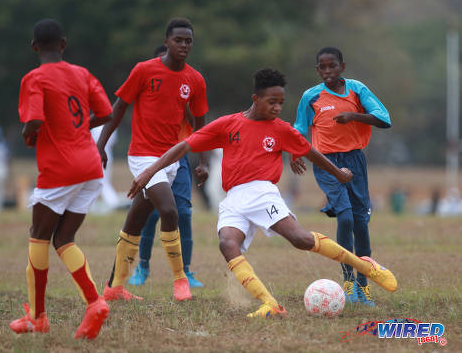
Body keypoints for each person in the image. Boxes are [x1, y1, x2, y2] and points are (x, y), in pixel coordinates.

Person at [128, 68, 397, 318]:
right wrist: (149, 171)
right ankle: (270, 303)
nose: (278, 108)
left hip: (262, 193)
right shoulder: (228, 124)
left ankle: (366, 267)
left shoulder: (280, 129)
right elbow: (184, 146)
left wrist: (338, 173)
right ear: (255, 99)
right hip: (233, 197)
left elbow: (309, 150)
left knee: (300, 239)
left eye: (281, 102)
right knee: (227, 244)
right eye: (272, 102)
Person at [11, 19, 112, 340]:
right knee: (64, 239)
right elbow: (106, 112)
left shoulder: (35, 78)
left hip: (60, 168)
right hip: (92, 167)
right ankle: (95, 303)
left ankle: (38, 318)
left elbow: (35, 118)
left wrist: (29, 134)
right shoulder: (82, 74)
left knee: (38, 235)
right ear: (64, 44)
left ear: (34, 47)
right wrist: (78, 130)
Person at [97, 18, 209, 302]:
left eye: (188, 41)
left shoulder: (195, 79)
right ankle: (180, 280)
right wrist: (99, 146)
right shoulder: (144, 70)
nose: (184, 45)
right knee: (170, 212)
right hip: (143, 156)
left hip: (172, 158)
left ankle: (114, 287)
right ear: (167, 41)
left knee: (135, 222)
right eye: (178, 40)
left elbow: (201, 126)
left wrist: (203, 162)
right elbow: (119, 108)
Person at [293, 47, 392, 306]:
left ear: (342, 67)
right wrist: (295, 153)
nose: (328, 72)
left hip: (355, 161)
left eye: (332, 66)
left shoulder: (357, 90)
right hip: (326, 162)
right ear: (317, 70)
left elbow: (384, 119)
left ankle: (363, 285)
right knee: (345, 217)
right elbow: (299, 128)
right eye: (322, 68)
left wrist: (354, 116)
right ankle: (347, 281)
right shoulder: (311, 96)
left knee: (361, 223)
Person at [129, 45, 204, 288]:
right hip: (148, 157)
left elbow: (199, 125)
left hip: (178, 158)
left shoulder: (187, 83)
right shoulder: (147, 78)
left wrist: (202, 160)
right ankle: (142, 266)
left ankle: (186, 272)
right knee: (150, 215)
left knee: (183, 213)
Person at [90, 127, 119, 211]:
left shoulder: (95, 127)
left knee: (103, 182)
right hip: (108, 156)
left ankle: (113, 202)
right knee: (103, 181)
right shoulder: (111, 124)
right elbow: (114, 141)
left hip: (97, 156)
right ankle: (112, 201)